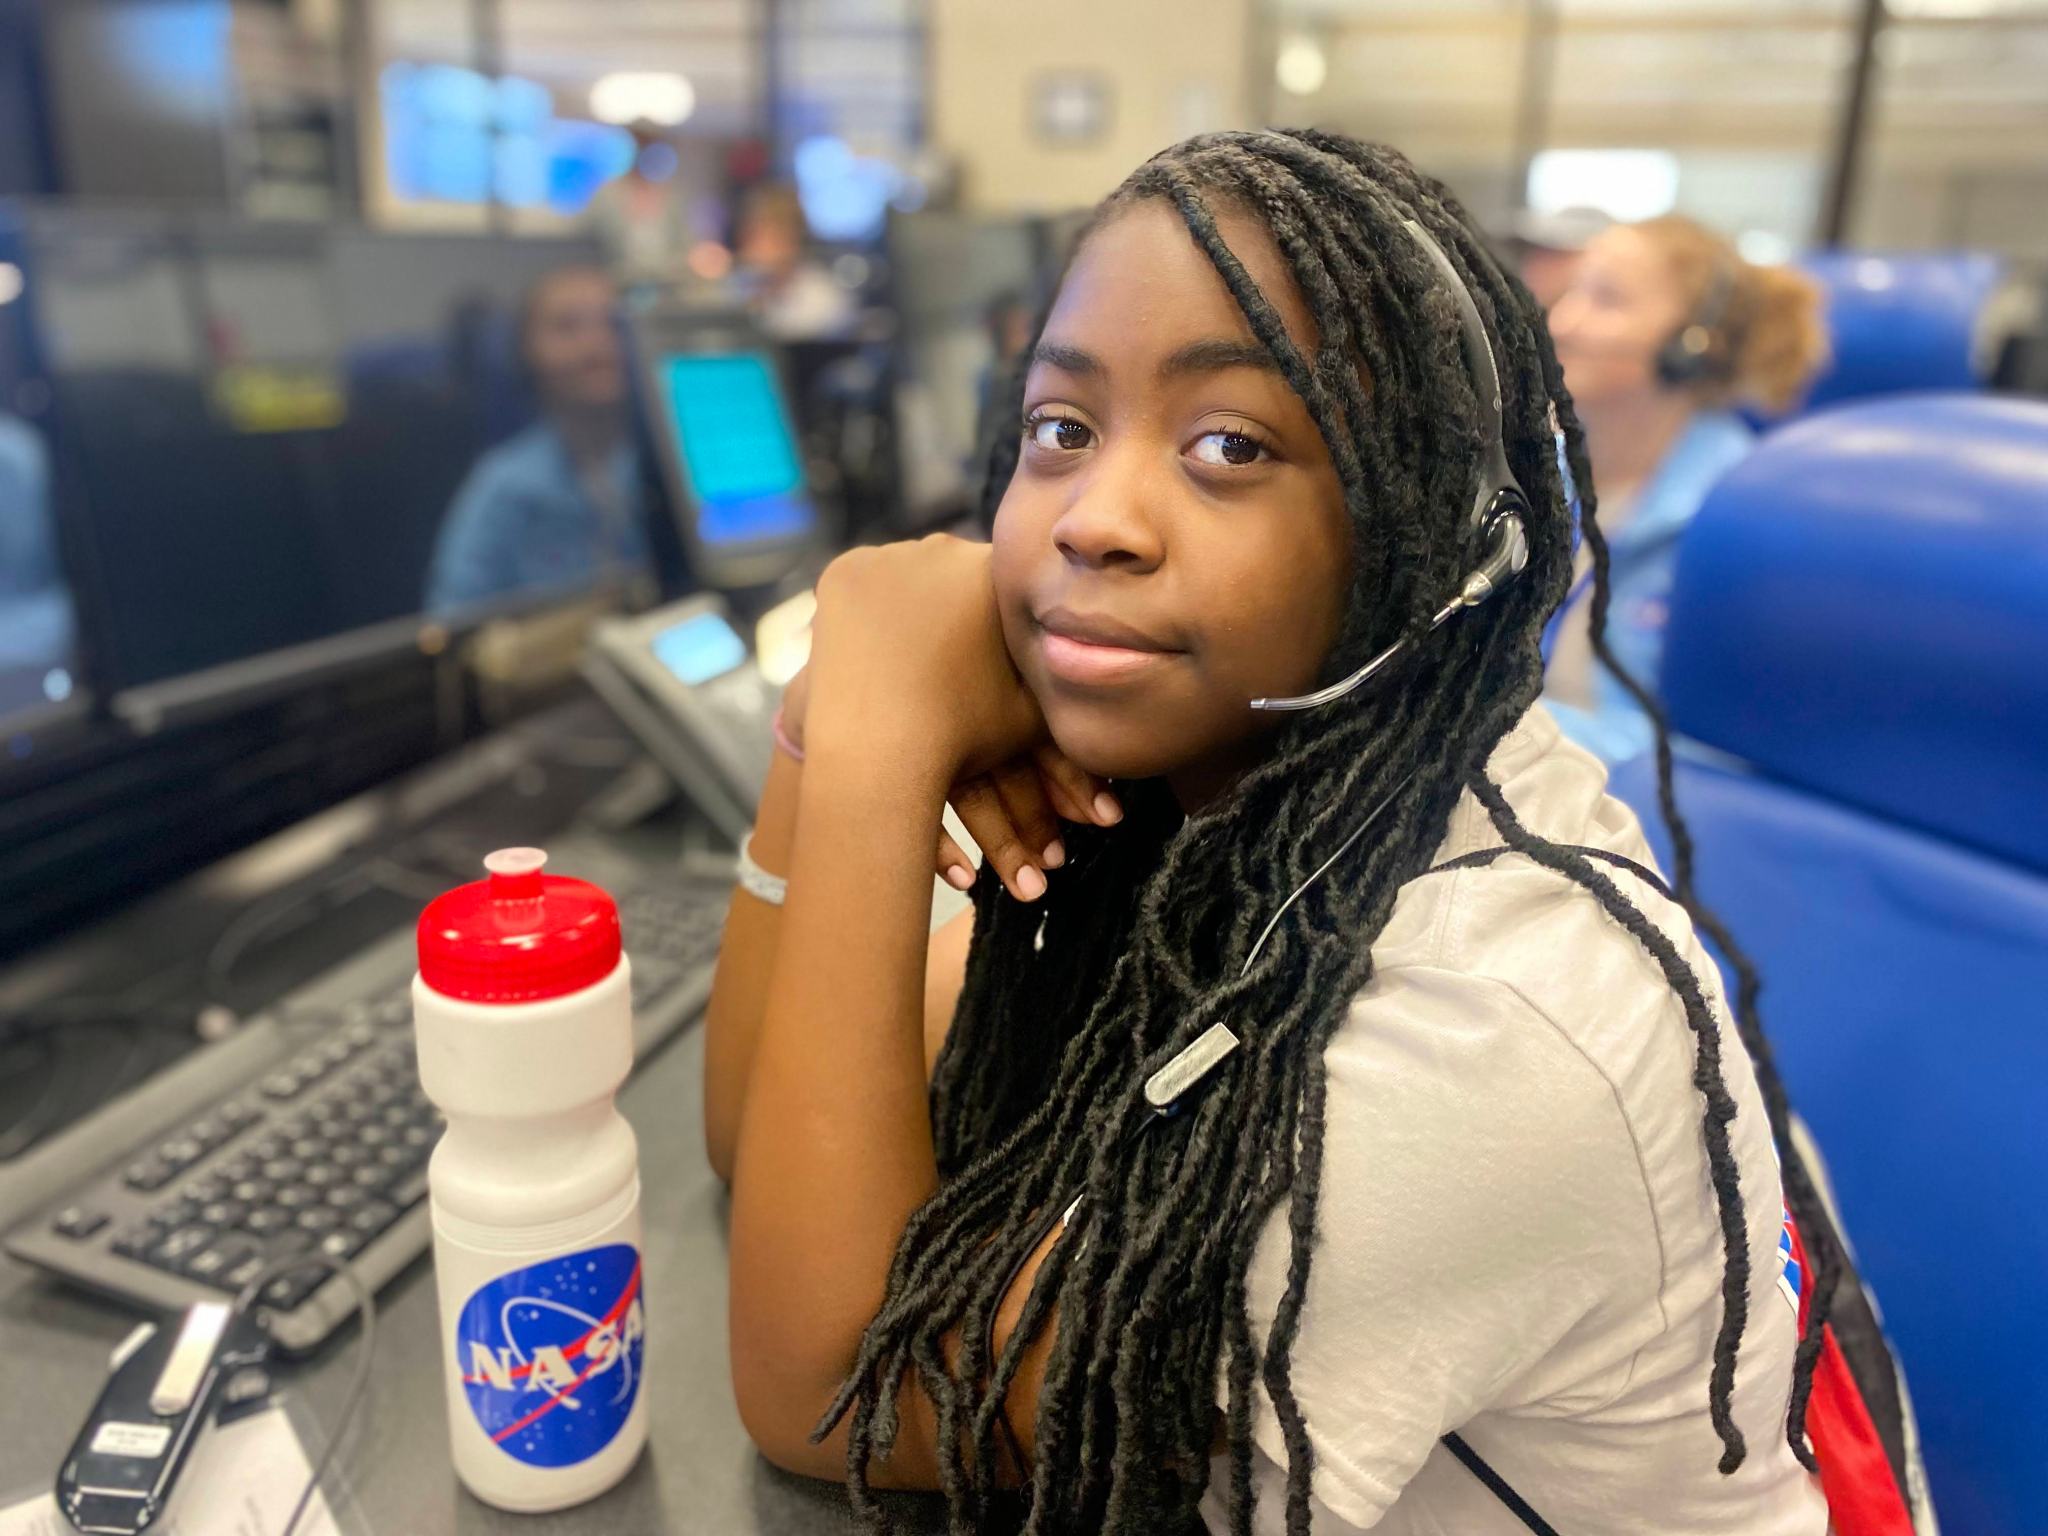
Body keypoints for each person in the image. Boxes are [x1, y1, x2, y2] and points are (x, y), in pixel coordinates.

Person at [703, 131, 1854, 1535]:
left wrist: (886, 745)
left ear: (1411, 529)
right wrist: (818, 739)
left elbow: (830, 1389)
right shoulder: (1223, 788)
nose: (1098, 520)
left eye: (1229, 445)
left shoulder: (1484, 1023)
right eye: (1061, 429)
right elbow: (759, 1141)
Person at [1543, 216, 1828, 762]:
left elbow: (1713, 753)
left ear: (1692, 344)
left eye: (1607, 299)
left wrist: (1506, 733)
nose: (1562, 321)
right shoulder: (1531, 474)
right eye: (1571, 292)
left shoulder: (1744, 517)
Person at [425, 265, 650, 616]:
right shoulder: (504, 486)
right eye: (567, 327)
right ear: (525, 350)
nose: (597, 345)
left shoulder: (671, 462)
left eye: (612, 324)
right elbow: (451, 621)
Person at [731, 182, 857, 341]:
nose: (754, 246)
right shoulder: (730, 290)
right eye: (751, 235)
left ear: (793, 239)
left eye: (768, 237)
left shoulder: (824, 298)